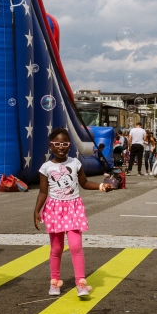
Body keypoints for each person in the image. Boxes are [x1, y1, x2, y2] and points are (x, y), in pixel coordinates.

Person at [35, 127, 112, 297]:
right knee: (56, 248)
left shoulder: (75, 163)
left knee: (76, 246)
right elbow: (42, 192)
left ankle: (81, 282)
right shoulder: (45, 167)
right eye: (57, 143)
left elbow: (84, 183)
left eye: (65, 143)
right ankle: (55, 282)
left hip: (73, 207)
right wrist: (36, 211)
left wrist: (100, 186)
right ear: (50, 146)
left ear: (69, 145)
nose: (61, 147)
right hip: (54, 209)